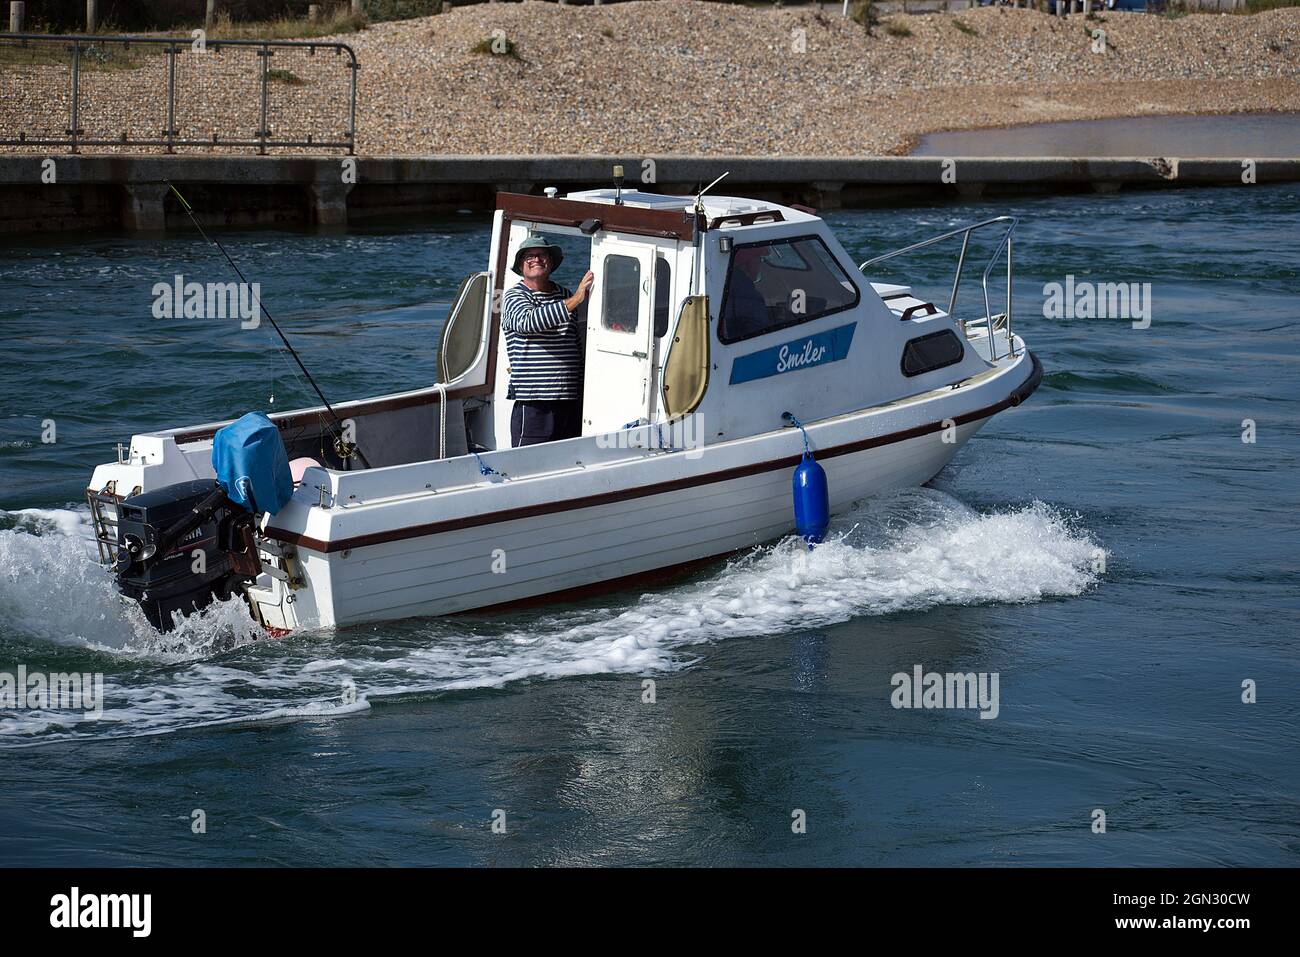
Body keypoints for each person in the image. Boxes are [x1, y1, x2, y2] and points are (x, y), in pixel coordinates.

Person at [501, 236, 594, 447]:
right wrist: (576, 300)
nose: (536, 259)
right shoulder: (514, 296)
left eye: (541, 255)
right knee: (527, 464)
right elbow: (528, 322)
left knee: (568, 461)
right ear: (521, 265)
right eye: (529, 256)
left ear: (550, 262)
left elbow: (575, 342)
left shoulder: (564, 294)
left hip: (569, 398)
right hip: (534, 401)